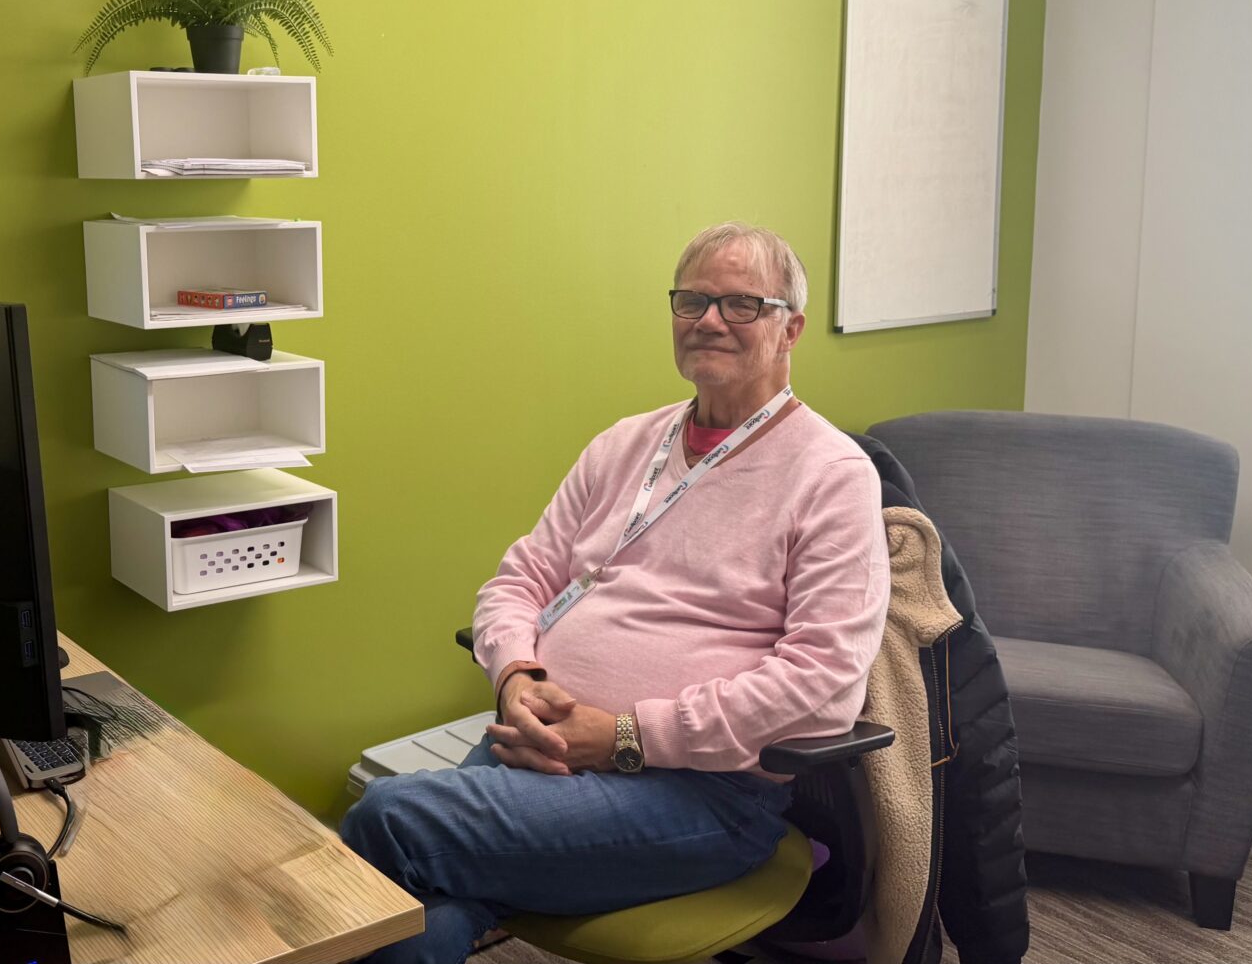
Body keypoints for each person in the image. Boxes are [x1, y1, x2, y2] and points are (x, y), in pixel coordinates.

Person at [340, 222, 890, 964]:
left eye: (740, 304)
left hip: (697, 794)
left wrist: (629, 736)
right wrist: (515, 678)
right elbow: (519, 579)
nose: (708, 320)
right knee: (415, 906)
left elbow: (821, 683)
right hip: (539, 745)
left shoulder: (832, 475)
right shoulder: (625, 443)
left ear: (790, 328)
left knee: (389, 821)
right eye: (692, 300)